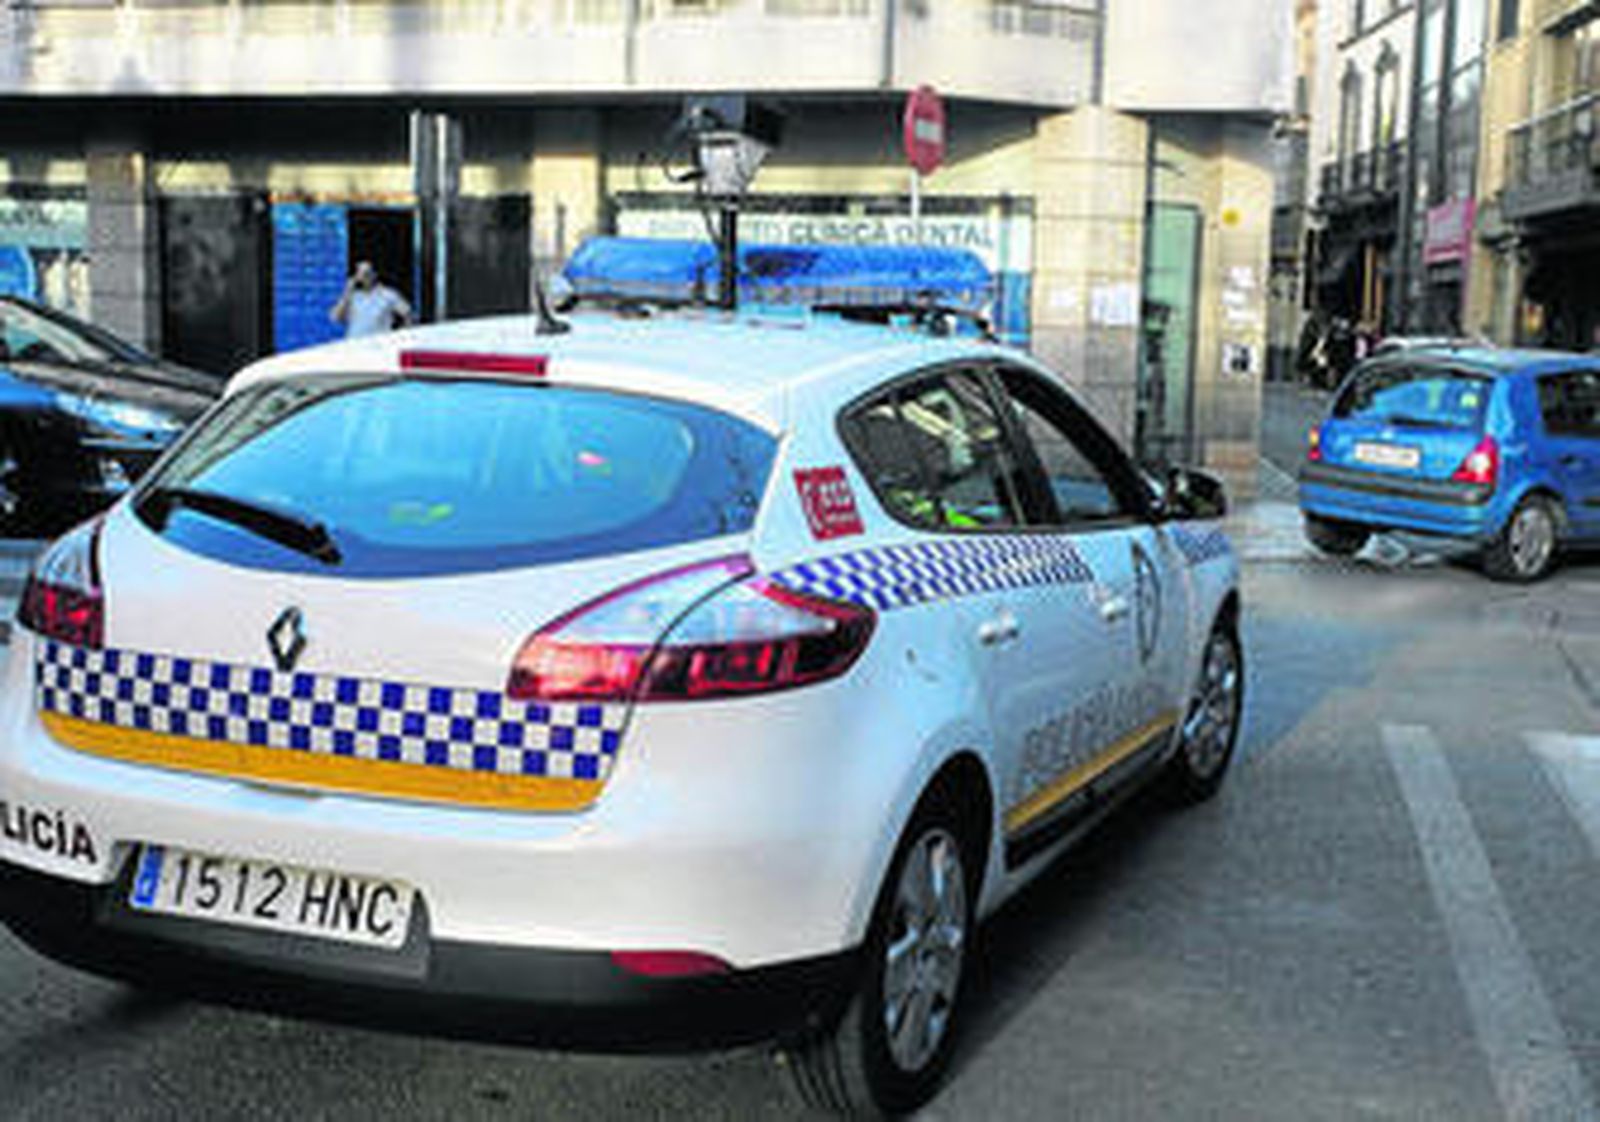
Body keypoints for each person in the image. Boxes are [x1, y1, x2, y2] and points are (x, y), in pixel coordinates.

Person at [330, 261, 411, 339]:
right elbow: (336, 317)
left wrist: (402, 337)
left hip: (378, 346)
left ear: (374, 274)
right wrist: (347, 291)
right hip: (355, 346)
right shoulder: (352, 297)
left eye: (367, 273)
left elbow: (407, 313)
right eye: (361, 274)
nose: (365, 277)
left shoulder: (388, 295)